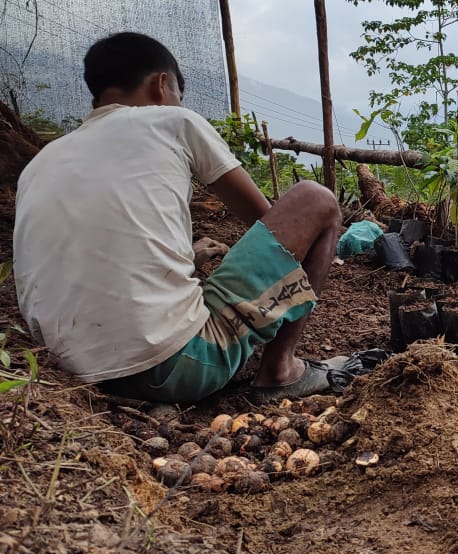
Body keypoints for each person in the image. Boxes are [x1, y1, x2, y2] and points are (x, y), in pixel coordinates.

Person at [13, 32, 347, 403]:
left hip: (67, 369)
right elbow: (267, 219)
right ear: (161, 86)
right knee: (315, 200)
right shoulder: (173, 121)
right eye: (178, 95)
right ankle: (280, 370)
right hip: (175, 367)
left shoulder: (39, 163)